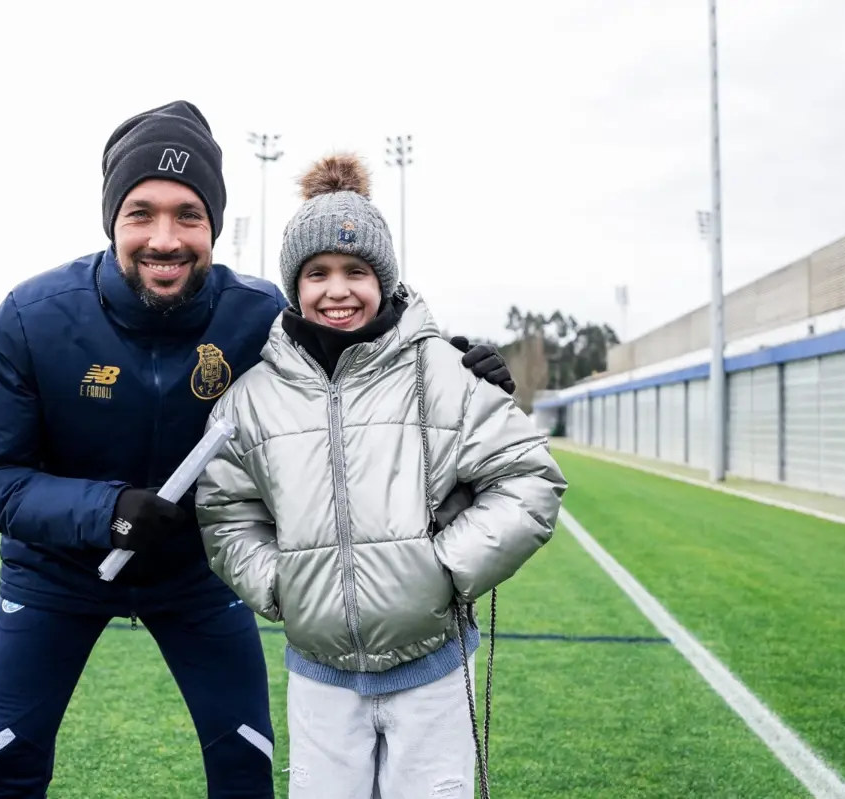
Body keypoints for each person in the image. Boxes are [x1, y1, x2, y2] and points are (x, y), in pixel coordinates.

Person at [0, 100, 518, 798]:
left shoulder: (255, 316)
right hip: (54, 576)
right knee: (9, 765)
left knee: (245, 767)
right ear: (111, 221)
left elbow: (363, 344)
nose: (166, 237)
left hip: (196, 576)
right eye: (142, 213)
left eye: (189, 215)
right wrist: (106, 510)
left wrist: (458, 363)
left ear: (213, 224)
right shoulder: (33, 317)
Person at [195, 153, 567, 799]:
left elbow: (529, 479)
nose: (337, 289)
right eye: (318, 273)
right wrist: (281, 584)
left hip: (432, 669)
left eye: (355, 270)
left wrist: (442, 568)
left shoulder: (448, 374)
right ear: (294, 285)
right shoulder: (251, 396)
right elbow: (226, 510)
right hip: (318, 676)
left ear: (384, 278)